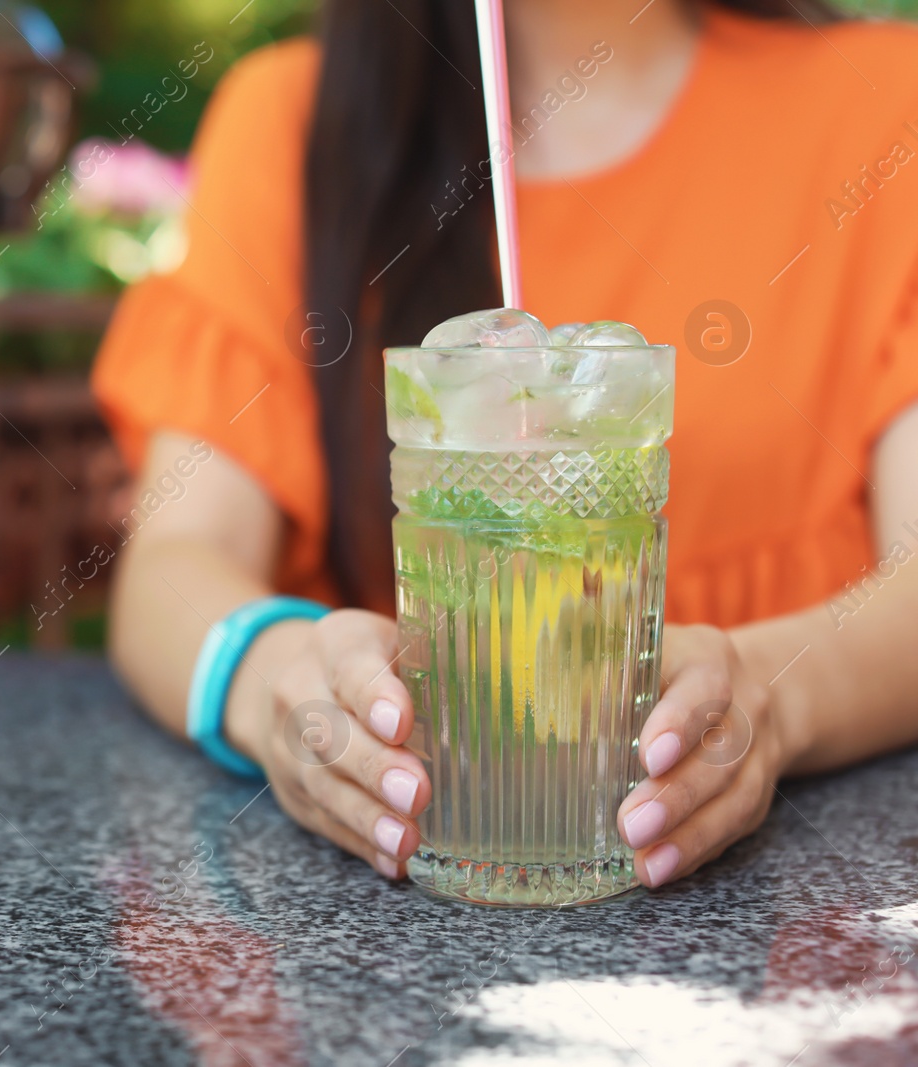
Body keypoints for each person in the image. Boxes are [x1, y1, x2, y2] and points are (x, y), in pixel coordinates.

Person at [93, 0, 918, 889]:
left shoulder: (888, 105)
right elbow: (176, 559)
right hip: (411, 907)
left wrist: (772, 693)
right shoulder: (292, 121)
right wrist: (274, 679)